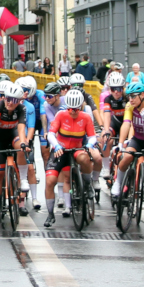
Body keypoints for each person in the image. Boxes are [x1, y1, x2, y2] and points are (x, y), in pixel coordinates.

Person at [110, 82, 144, 232]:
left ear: (142, 96)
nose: (131, 100)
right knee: (126, 157)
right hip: (138, 140)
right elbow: (126, 124)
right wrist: (121, 143)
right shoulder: (130, 107)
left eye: (133, 97)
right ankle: (118, 183)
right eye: (129, 97)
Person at [43, 90, 97, 228]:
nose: (73, 111)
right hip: (60, 150)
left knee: (86, 158)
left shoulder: (85, 117)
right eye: (70, 108)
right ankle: (50, 214)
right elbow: (51, 134)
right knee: (50, 181)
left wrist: (90, 144)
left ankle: (86, 184)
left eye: (76, 109)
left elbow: (92, 137)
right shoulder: (61, 114)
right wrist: (55, 146)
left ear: (80, 107)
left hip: (76, 150)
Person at [0, 81, 31, 226]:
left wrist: (24, 143)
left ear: (18, 101)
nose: (9, 102)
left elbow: (21, 128)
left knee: (22, 146)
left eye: (13, 100)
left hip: (13, 135)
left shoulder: (22, 109)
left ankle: (23, 179)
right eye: (7, 98)